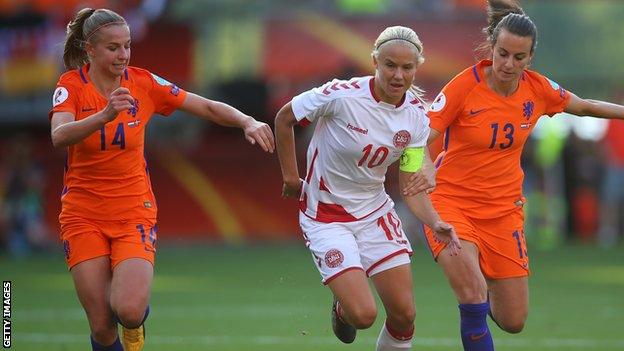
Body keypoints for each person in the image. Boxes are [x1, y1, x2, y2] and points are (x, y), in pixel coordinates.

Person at [402, 1, 624, 350]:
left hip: (503, 213)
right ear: (492, 47)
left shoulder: (537, 89)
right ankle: (471, 286)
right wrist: (425, 164)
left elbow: (584, 106)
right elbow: (419, 140)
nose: (508, 64)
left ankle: (477, 282)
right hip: (452, 204)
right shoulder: (464, 86)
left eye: (518, 58)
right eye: (503, 53)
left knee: (513, 320)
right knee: (474, 297)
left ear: (530, 58)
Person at [49, 8, 274, 351]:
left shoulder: (144, 83)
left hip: (133, 211)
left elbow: (205, 106)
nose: (123, 55)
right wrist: (105, 114)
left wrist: (247, 121)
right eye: (113, 48)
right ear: (90, 49)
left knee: (127, 309)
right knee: (101, 325)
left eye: (126, 46)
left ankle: (136, 317)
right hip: (83, 215)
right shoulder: (71, 86)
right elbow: (59, 135)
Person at [274, 26, 461, 350]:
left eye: (407, 67)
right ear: (375, 61)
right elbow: (284, 117)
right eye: (390, 65)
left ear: (417, 67)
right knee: (363, 315)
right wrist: (291, 176)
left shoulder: (417, 119)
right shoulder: (341, 95)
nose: (398, 75)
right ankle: (343, 307)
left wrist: (434, 221)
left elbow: (410, 184)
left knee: (404, 315)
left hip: (374, 213)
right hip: (326, 218)